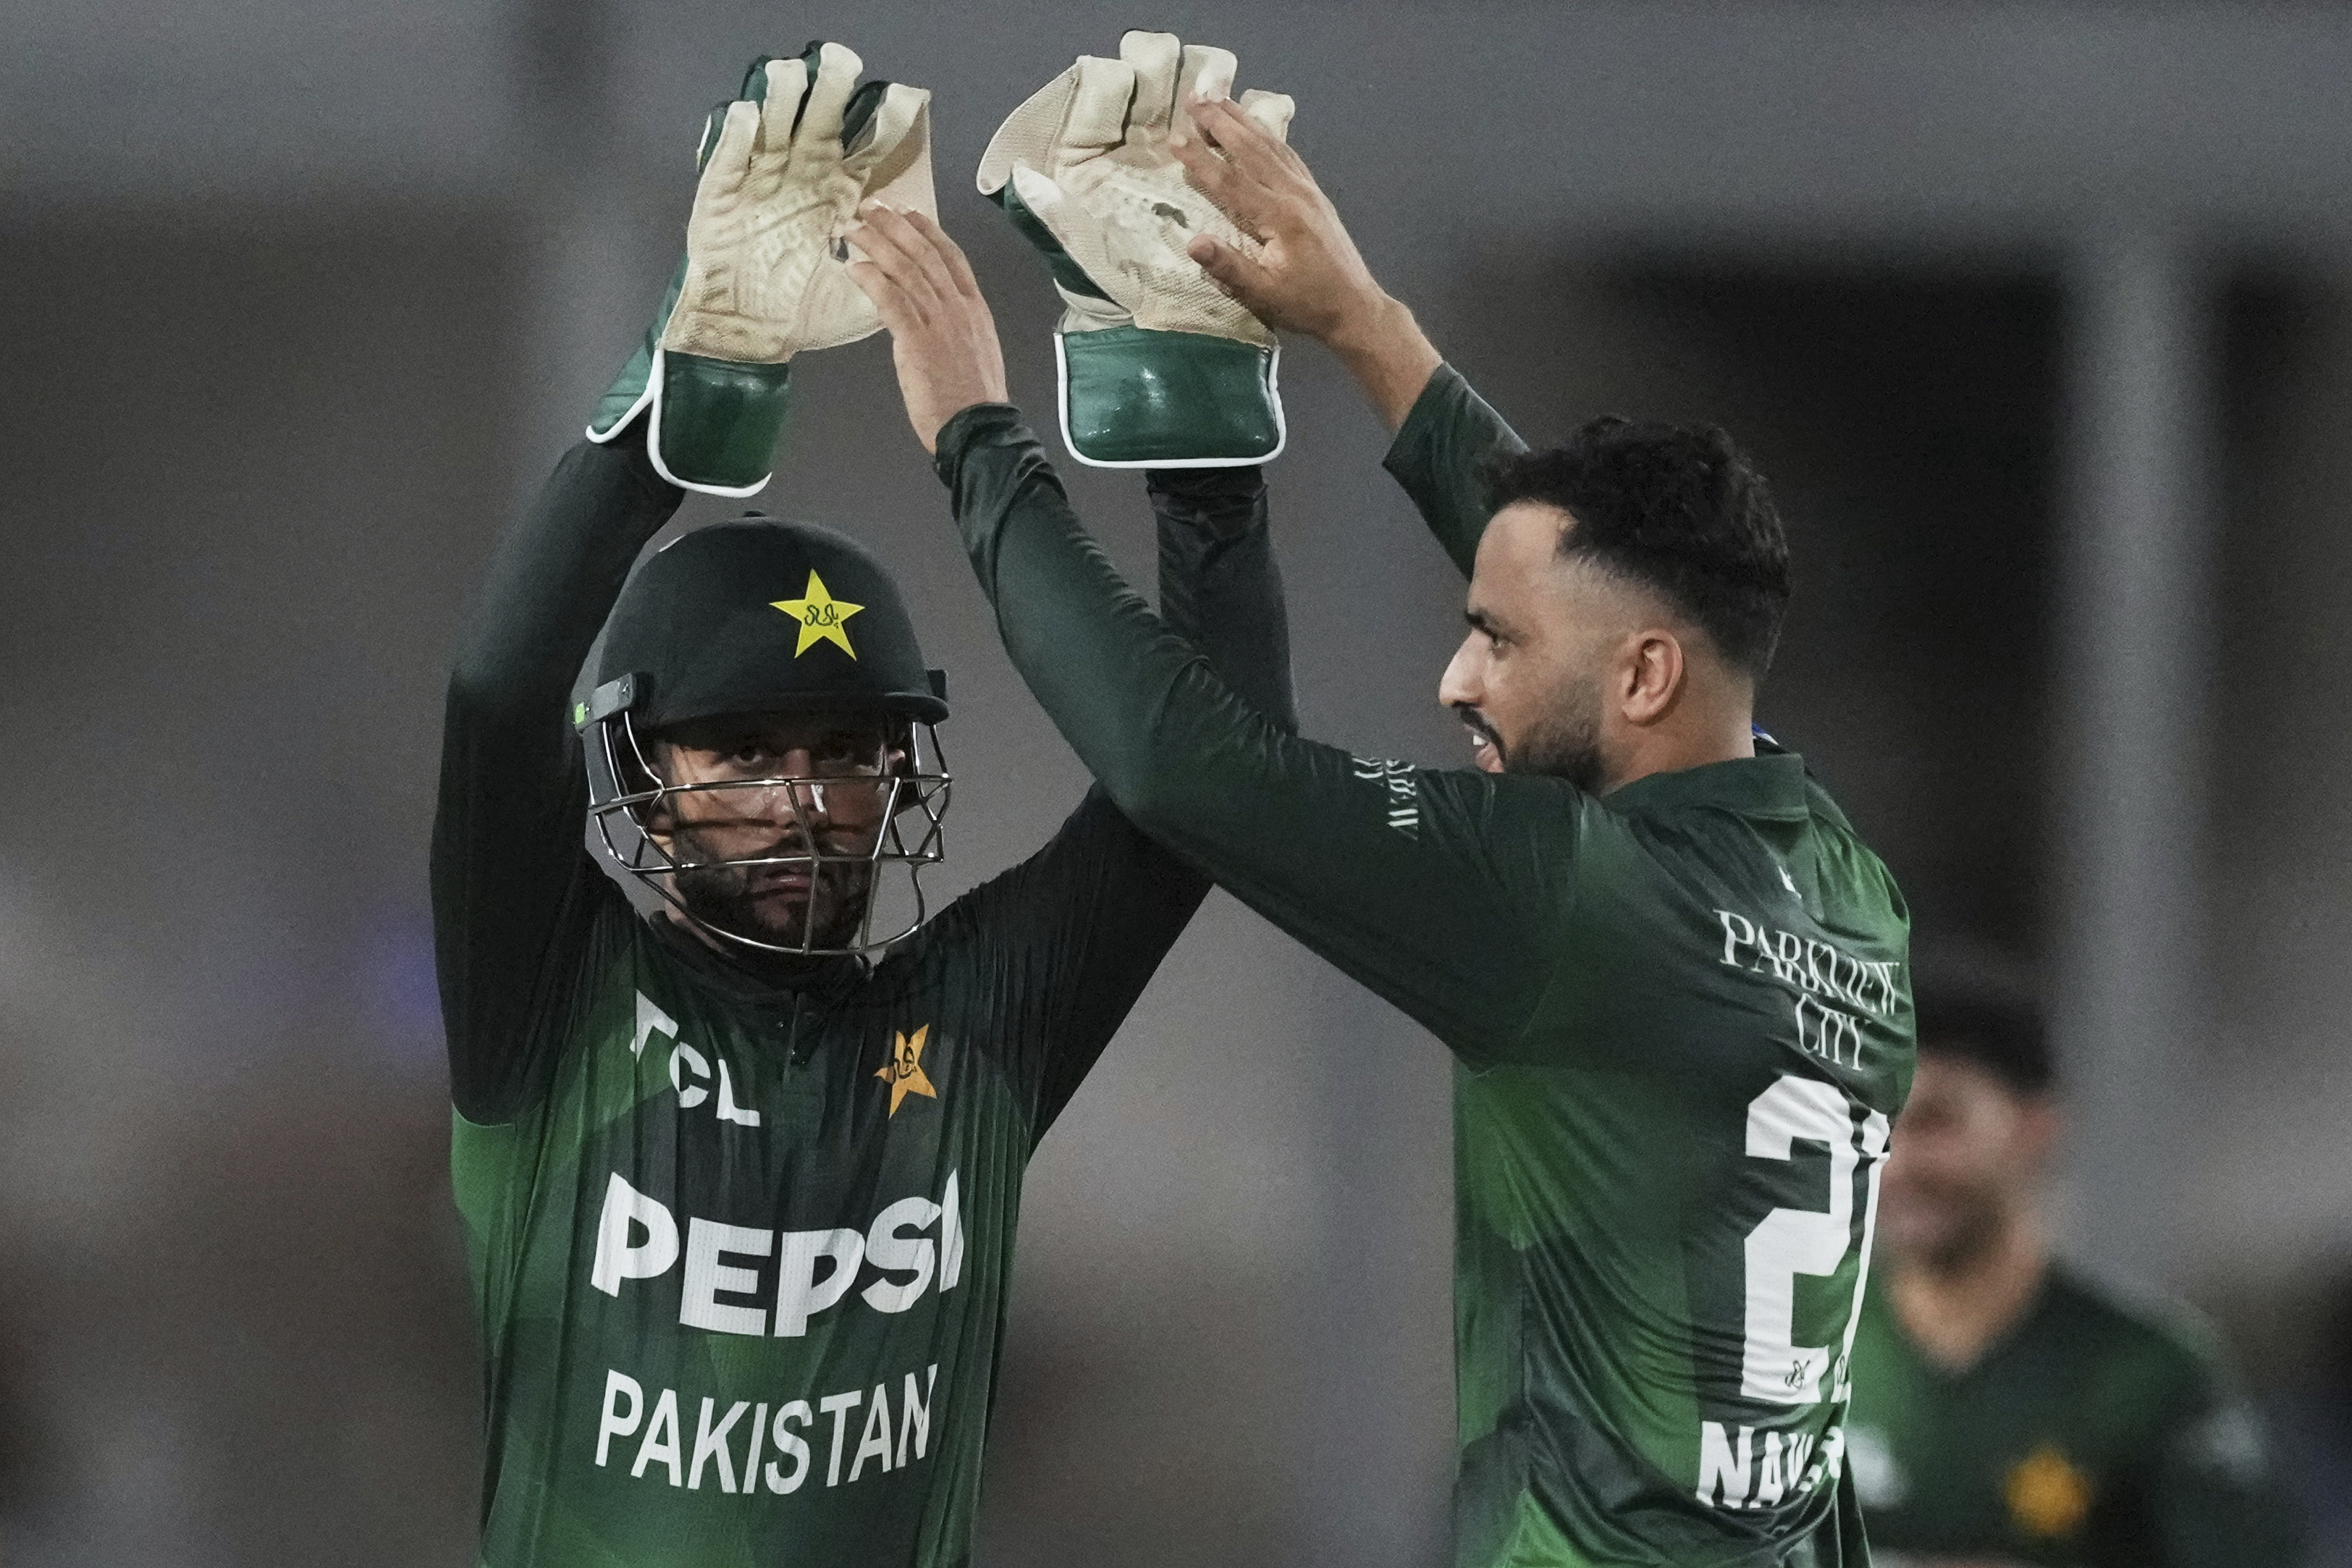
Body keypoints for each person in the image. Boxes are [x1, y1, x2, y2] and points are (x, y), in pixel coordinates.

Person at [846, 83, 1915, 1568]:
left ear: (1642, 678)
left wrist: (975, 435)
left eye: (1492, 641)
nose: (1454, 678)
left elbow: (1179, 765)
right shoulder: (1842, 887)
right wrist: (1362, 325)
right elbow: (1603, 603)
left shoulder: (1568, 898)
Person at [432, 44, 1294, 1568]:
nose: (801, 800)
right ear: (640, 777)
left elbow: (1219, 775)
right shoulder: (550, 1005)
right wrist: (684, 395)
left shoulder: (976, 1018)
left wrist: (1197, 443)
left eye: (842, 750)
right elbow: (501, 699)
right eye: (738, 753)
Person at [1845, 990, 2306, 1567]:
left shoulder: (2145, 1372)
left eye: (1937, 1121)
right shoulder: (1788, 1354)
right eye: (1871, 1123)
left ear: (2036, 1128)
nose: (1897, 1161)